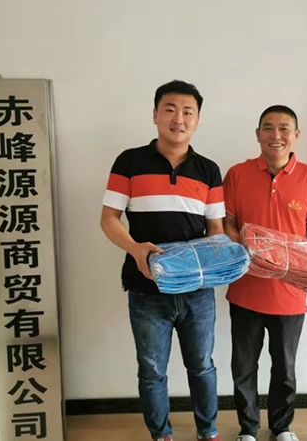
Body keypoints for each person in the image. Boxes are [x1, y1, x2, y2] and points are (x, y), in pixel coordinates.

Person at [100, 80, 224, 441]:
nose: (178, 119)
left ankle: (208, 432)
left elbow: (216, 230)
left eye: (188, 112)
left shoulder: (208, 170)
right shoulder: (129, 162)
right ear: (155, 114)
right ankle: (161, 435)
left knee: (202, 366)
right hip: (146, 288)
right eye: (170, 109)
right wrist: (136, 248)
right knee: (152, 370)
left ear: (198, 120)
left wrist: (224, 260)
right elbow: (108, 219)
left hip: (197, 291)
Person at [223, 106, 307, 441]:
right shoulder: (237, 174)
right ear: (258, 134)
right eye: (268, 128)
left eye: (284, 128)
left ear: (296, 136)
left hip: (290, 292)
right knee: (243, 366)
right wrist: (246, 249)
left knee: (284, 366)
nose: (276, 135)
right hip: (246, 288)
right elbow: (227, 222)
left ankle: (282, 427)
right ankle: (248, 429)